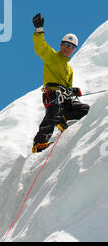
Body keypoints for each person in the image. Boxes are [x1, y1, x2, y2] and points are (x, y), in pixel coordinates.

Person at [31, 13, 90, 153]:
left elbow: (68, 86)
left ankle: (63, 119)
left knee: (85, 109)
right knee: (53, 112)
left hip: (64, 97)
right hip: (51, 93)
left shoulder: (69, 68)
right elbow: (41, 47)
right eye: (65, 45)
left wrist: (73, 90)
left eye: (71, 46)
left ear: (74, 50)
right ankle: (39, 142)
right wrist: (39, 30)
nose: (67, 48)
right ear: (61, 45)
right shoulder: (51, 56)